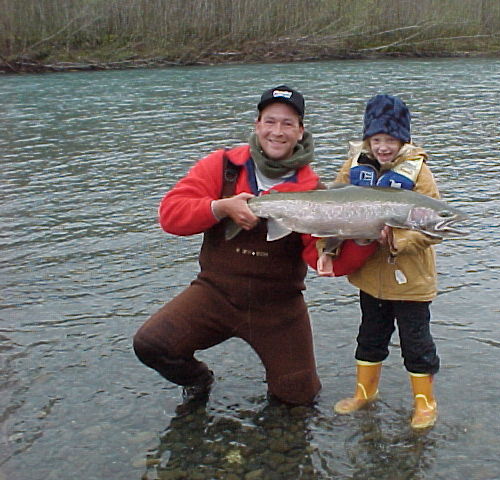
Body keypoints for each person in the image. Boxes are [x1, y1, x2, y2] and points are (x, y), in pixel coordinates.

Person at [133, 85, 375, 406]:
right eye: (270, 121)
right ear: (257, 125)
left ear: (300, 131)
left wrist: (364, 238)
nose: (278, 131)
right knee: (151, 344)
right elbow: (170, 217)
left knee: (298, 398)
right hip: (214, 294)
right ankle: (199, 380)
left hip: (278, 307)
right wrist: (220, 208)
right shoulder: (222, 166)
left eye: (288, 124)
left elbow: (323, 263)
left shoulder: (313, 189)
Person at [330, 94, 442, 429]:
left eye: (390, 140)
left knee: (416, 344)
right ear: (368, 139)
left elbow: (434, 229)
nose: (382, 147)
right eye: (376, 139)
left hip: (411, 282)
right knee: (369, 338)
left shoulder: (420, 174)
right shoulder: (353, 167)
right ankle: (365, 393)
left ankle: (425, 404)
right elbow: (331, 205)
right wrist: (328, 248)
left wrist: (396, 239)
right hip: (370, 279)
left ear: (402, 140)